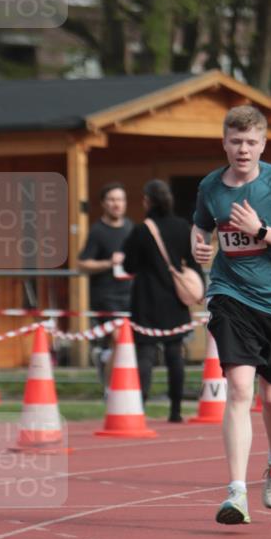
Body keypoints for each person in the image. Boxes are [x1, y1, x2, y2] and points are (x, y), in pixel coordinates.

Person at [191, 105, 271, 525]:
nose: (243, 149)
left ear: (262, 144)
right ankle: (236, 493)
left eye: (251, 142)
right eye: (235, 141)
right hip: (230, 294)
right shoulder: (211, 186)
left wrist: (260, 231)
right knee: (240, 390)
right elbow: (201, 226)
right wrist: (200, 246)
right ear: (224, 142)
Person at [113, 179, 203, 423]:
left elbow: (129, 265)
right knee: (175, 355)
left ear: (148, 201)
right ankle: (175, 410)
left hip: (146, 299)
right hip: (175, 300)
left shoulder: (141, 231)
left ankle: (139, 407)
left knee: (145, 355)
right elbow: (193, 262)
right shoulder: (182, 227)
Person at [78, 182, 134, 392]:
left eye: (120, 199)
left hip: (129, 293)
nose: (116, 204)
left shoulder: (130, 227)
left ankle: (105, 359)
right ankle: (112, 391)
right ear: (103, 204)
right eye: (111, 200)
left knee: (123, 345)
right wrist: (109, 262)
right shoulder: (98, 231)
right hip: (105, 295)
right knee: (120, 341)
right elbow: (82, 263)